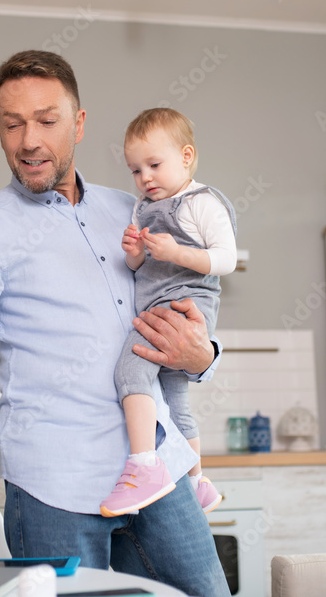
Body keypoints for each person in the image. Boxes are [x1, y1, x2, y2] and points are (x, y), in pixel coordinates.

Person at [0, 50, 229, 596]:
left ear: (77, 124)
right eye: (12, 124)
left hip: (157, 470)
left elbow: (188, 294)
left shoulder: (136, 211)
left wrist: (205, 356)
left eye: (47, 121)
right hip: (53, 486)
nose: (29, 140)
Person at [99, 108, 236, 518]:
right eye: (136, 170)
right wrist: (136, 255)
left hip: (182, 306)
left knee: (128, 373)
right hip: (158, 302)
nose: (146, 178)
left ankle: (144, 465)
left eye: (154, 165)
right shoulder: (142, 208)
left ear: (187, 156)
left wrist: (175, 252)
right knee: (174, 398)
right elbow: (142, 272)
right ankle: (197, 483)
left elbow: (226, 259)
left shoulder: (202, 202)